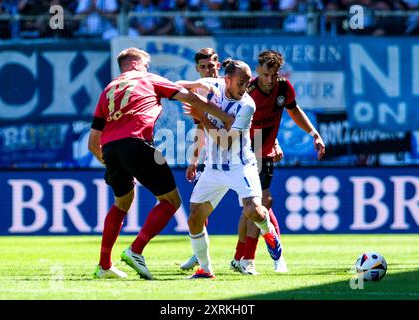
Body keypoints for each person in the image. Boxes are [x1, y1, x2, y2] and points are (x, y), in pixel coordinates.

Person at [89, 47, 233, 280]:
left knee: (121, 203)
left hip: (111, 149)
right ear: (137, 63)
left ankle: (104, 265)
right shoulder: (148, 78)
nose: (147, 68)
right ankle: (136, 250)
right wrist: (224, 116)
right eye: (146, 64)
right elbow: (189, 97)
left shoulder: (108, 89)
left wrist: (113, 164)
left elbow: (93, 142)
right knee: (171, 201)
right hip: (136, 142)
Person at [183, 58, 282, 279]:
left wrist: (201, 117)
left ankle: (269, 232)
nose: (245, 87)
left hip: (240, 165)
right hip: (214, 168)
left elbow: (226, 142)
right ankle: (205, 269)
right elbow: (184, 86)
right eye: (241, 82)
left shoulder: (247, 105)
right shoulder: (214, 86)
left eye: (247, 82)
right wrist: (162, 87)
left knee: (253, 210)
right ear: (226, 79)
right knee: (194, 217)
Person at [230, 50, 326, 275]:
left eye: (273, 74)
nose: (270, 80)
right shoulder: (248, 91)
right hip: (242, 152)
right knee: (253, 207)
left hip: (263, 152)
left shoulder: (284, 88)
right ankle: (244, 257)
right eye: (265, 74)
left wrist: (314, 133)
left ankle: (247, 259)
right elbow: (234, 122)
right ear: (257, 71)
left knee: (258, 204)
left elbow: (294, 111)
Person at [177, 47, 222, 270]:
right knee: (198, 207)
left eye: (211, 65)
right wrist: (194, 160)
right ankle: (199, 253)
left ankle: (260, 256)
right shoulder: (199, 93)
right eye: (202, 67)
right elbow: (201, 130)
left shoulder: (229, 86)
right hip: (213, 158)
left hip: (239, 155)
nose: (207, 70)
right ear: (197, 68)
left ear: (218, 65)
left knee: (255, 205)